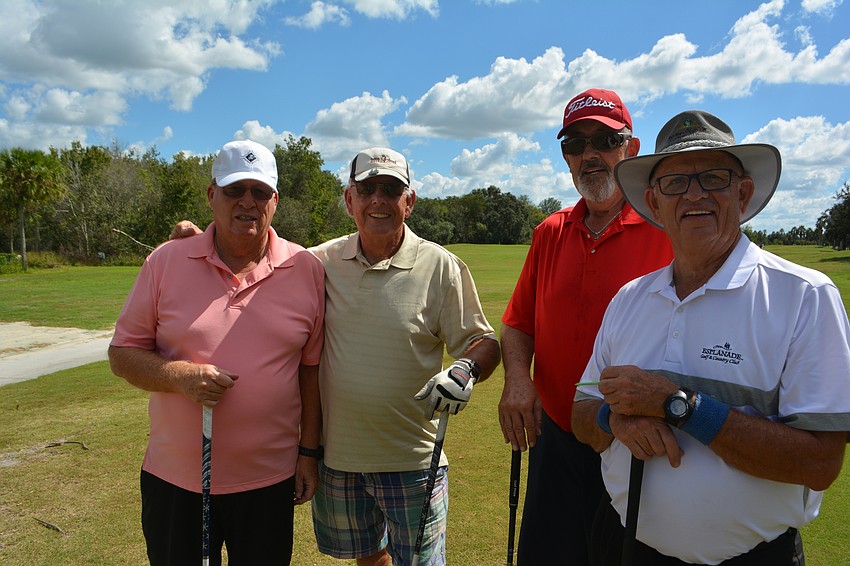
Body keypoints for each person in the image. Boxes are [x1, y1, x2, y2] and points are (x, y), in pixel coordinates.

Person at [172, 146, 501, 565]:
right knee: (368, 558)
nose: (378, 200)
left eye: (390, 189)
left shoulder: (440, 266)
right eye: (366, 190)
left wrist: (466, 370)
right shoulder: (319, 262)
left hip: (413, 461)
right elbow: (252, 253)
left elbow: (484, 341)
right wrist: (195, 245)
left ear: (409, 201)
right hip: (337, 460)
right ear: (350, 200)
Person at [573, 110, 850, 565]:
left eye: (714, 177)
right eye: (675, 182)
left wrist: (678, 405)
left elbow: (819, 463)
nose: (695, 194)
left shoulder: (804, 296)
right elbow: (580, 410)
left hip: (753, 558)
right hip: (626, 545)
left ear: (742, 194)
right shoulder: (629, 299)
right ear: (654, 202)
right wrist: (613, 420)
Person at [109, 139, 325, 565]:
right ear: (212, 196)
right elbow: (122, 354)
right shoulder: (166, 261)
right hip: (177, 481)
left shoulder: (306, 269)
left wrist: (309, 452)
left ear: (275, 201)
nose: (247, 202)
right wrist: (180, 377)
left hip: (268, 481)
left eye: (259, 192)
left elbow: (310, 370)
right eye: (233, 190)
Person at [497, 88, 673, 564]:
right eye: (574, 144)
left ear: (630, 149)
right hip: (556, 439)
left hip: (634, 443)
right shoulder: (549, 232)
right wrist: (517, 380)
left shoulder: (667, 229)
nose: (589, 154)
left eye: (604, 140)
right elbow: (517, 323)